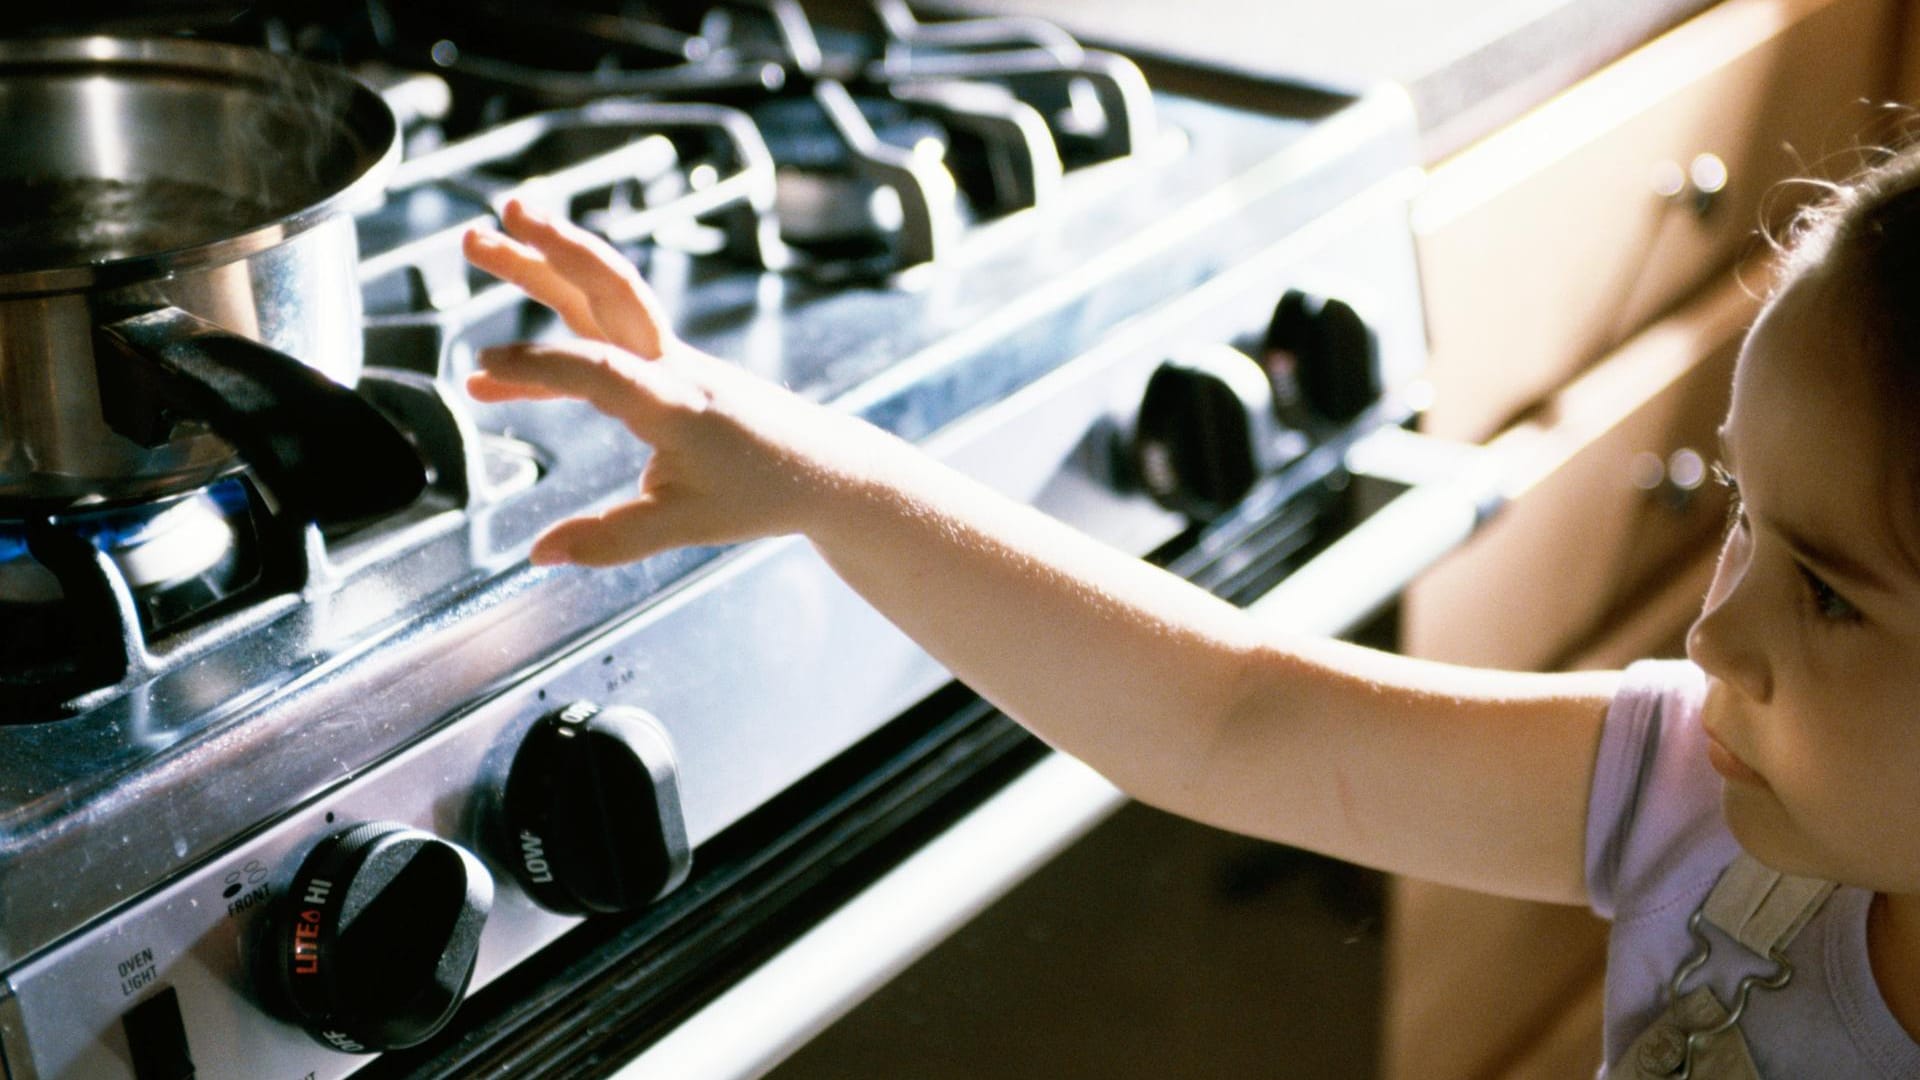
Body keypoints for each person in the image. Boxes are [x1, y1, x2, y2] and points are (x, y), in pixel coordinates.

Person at [461, 146, 1920, 1076]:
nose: (1715, 638)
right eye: (1744, 517)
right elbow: (1233, 717)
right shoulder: (1701, 801)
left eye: (1830, 598)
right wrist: (817, 476)